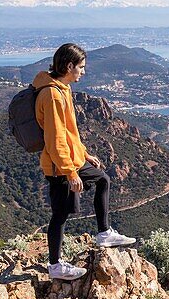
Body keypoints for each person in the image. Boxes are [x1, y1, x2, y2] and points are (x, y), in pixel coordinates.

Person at [34, 43, 135, 280]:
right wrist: (70, 172)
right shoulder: (52, 95)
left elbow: (70, 131)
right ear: (69, 66)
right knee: (61, 213)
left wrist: (84, 153)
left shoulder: (62, 89)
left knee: (103, 180)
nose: (83, 72)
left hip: (72, 158)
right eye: (81, 67)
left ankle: (104, 233)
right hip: (60, 165)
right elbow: (55, 138)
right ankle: (55, 265)